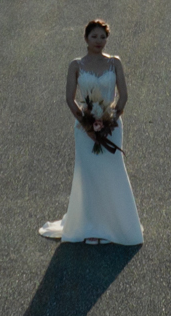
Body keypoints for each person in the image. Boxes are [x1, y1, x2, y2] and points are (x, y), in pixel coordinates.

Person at [44, 18, 143, 246]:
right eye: (94, 36)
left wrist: (110, 121)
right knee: (88, 175)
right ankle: (90, 226)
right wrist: (88, 125)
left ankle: (114, 224)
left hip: (112, 127)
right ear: (86, 38)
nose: (99, 41)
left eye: (103, 37)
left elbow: (123, 96)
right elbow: (70, 99)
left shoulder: (114, 63)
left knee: (112, 171)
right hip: (84, 129)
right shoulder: (76, 65)